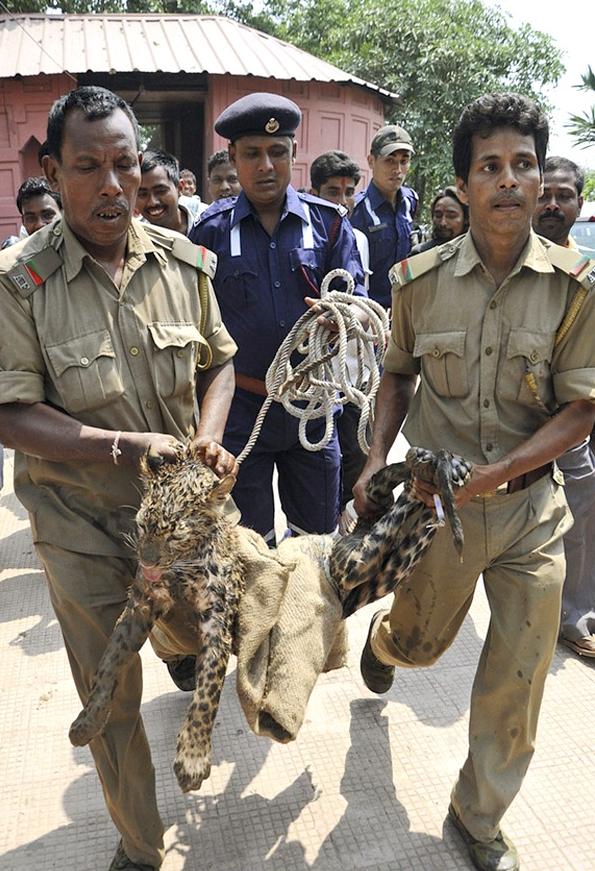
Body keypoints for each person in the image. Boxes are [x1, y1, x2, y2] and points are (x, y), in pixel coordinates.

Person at [353, 93, 595, 871]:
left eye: (522, 165)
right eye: (489, 166)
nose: (509, 181)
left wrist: (494, 474)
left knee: (515, 681)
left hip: (529, 514)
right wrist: (372, 459)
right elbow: (394, 377)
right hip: (435, 515)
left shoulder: (574, 287)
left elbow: (580, 410)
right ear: (462, 183)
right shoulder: (416, 281)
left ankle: (476, 815)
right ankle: (388, 643)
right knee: (425, 645)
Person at [0, 85, 238, 871]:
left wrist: (203, 442)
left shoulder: (183, 260)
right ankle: (140, 846)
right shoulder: (18, 282)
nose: (111, 185)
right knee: (112, 700)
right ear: (52, 171)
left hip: (180, 521)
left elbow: (221, 364)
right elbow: (12, 412)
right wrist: (123, 447)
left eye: (124, 164)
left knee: (212, 640)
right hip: (80, 526)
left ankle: (176, 639)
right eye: (87, 166)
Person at [191, 92, 366, 544]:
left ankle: (309, 615)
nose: (266, 165)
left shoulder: (328, 224)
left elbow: (360, 306)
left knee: (316, 539)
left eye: (277, 152)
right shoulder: (210, 231)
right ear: (233, 157)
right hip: (241, 410)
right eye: (252, 154)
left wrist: (343, 319)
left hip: (311, 407)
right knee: (249, 542)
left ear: (294, 155)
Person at [532, 155, 595, 658]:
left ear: (577, 201)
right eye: (544, 194)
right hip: (507, 416)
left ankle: (573, 615)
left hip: (571, 416)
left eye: (564, 195)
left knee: (580, 502)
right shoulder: (505, 259)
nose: (553, 204)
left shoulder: (588, 272)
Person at [309, 149, 371, 510]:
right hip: (319, 376)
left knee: (356, 452)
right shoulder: (309, 235)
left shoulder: (358, 239)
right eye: (334, 192)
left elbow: (364, 304)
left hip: (355, 369)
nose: (344, 201)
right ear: (314, 191)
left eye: (349, 192)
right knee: (323, 463)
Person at [350, 124, 418, 307]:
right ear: (371, 161)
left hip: (405, 309)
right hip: (370, 313)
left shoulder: (410, 201)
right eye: (389, 160)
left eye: (404, 161)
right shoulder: (357, 210)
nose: (397, 169)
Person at [136, 150, 204, 234]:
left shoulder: (208, 224)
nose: (152, 203)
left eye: (160, 191)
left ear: (179, 187)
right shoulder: (135, 235)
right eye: (143, 194)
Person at [410, 186, 468, 254]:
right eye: (438, 216)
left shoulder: (477, 254)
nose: (443, 223)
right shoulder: (420, 253)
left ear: (466, 219)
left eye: (451, 216)